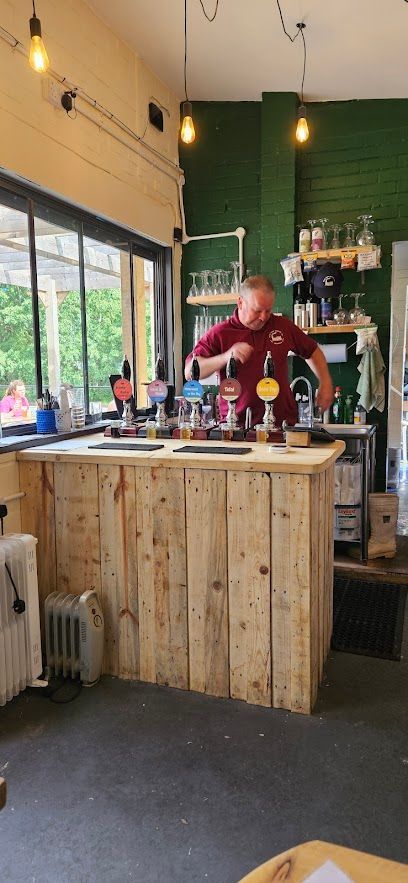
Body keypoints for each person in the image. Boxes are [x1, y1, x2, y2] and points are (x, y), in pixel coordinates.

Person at [185, 275, 334, 427]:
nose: (263, 317)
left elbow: (312, 350)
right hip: (237, 427)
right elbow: (190, 372)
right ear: (241, 303)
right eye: (257, 311)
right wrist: (225, 357)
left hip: (282, 425)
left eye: (268, 311)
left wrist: (326, 382)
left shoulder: (283, 326)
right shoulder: (220, 333)